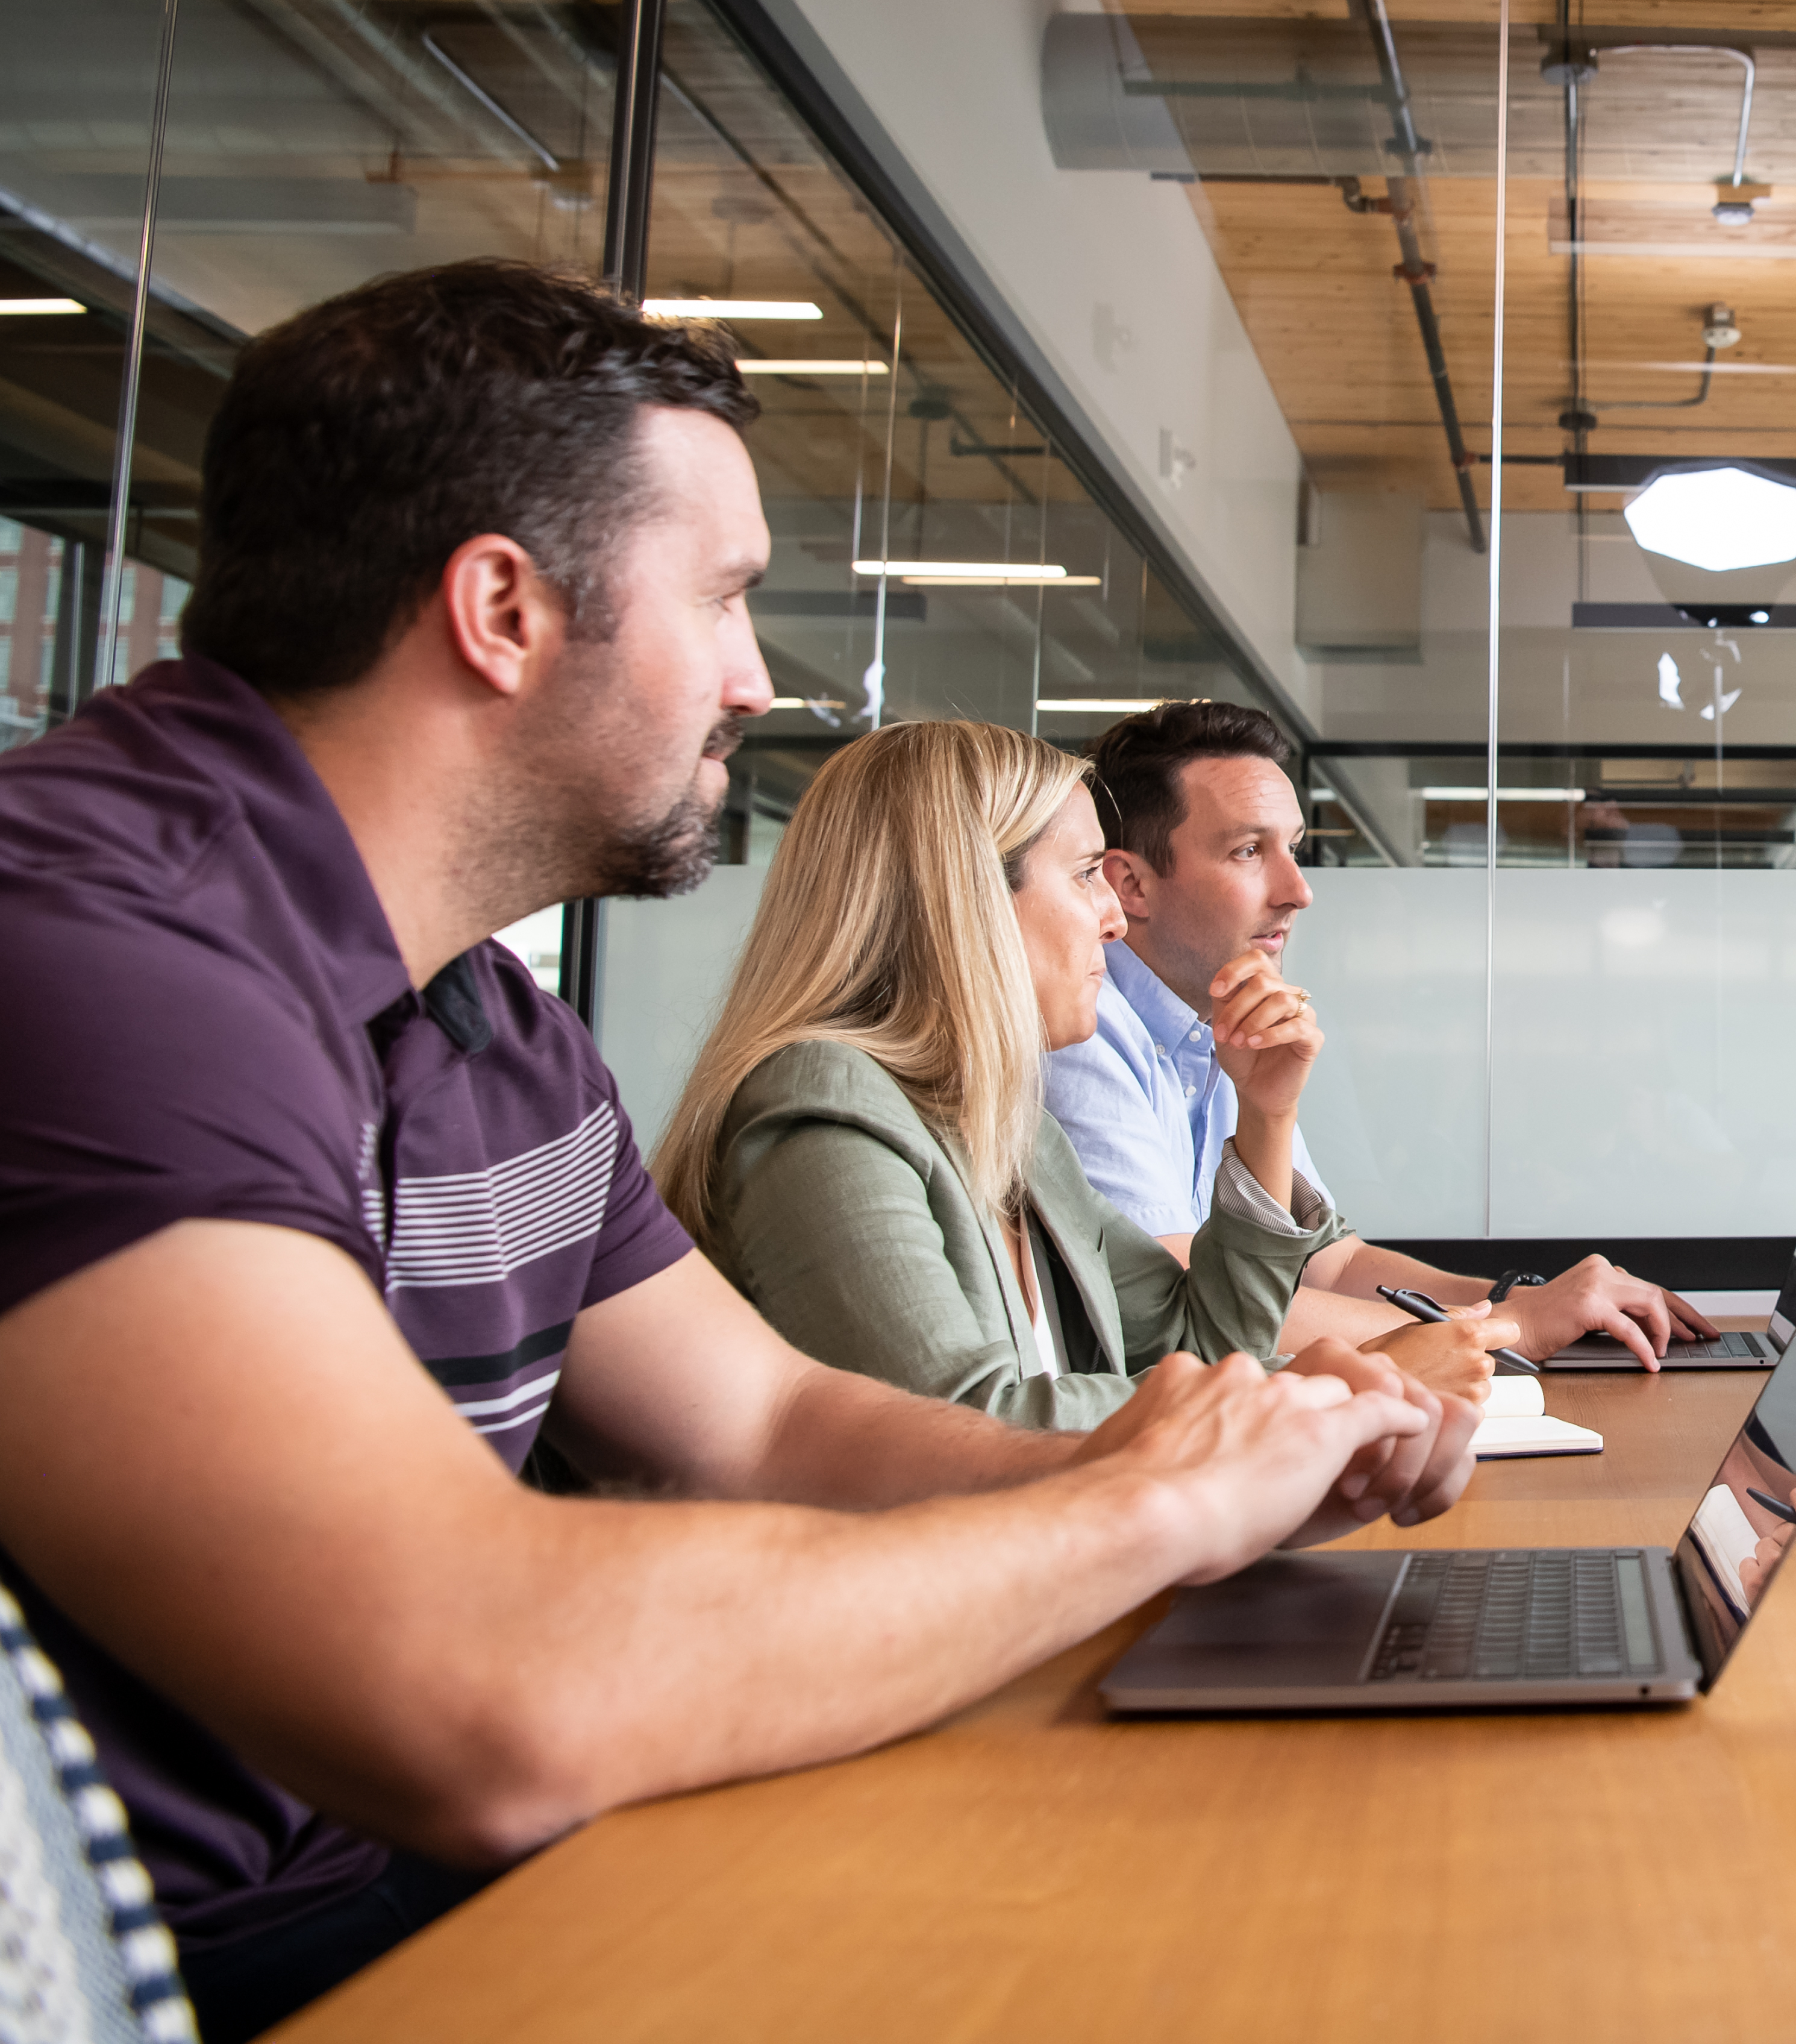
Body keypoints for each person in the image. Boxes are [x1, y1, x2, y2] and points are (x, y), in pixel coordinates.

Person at [0, 263, 1472, 2040]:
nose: (757, 682)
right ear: (502, 608)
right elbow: (480, 1690)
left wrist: (1227, 1448)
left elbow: (772, 1416)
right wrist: (1146, 1503)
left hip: (415, 1893)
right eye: (721, 599)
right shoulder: (95, 954)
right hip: (233, 1965)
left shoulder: (487, 1014)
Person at [659, 721, 1514, 1420]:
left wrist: (1265, 1115)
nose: (1114, 917)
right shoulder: (827, 1102)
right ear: (967, 902)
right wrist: (1327, 1390)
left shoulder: (1006, 1129)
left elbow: (1197, 1342)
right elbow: (964, 1425)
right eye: (1083, 877)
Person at [1043, 699, 1713, 1367]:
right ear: (1130, 884)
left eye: (1294, 848)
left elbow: (1330, 1266)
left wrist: (1521, 1300)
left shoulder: (1216, 1026)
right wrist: (1508, 1327)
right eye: (1249, 851)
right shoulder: (1080, 1033)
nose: (1298, 890)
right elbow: (1204, 1310)